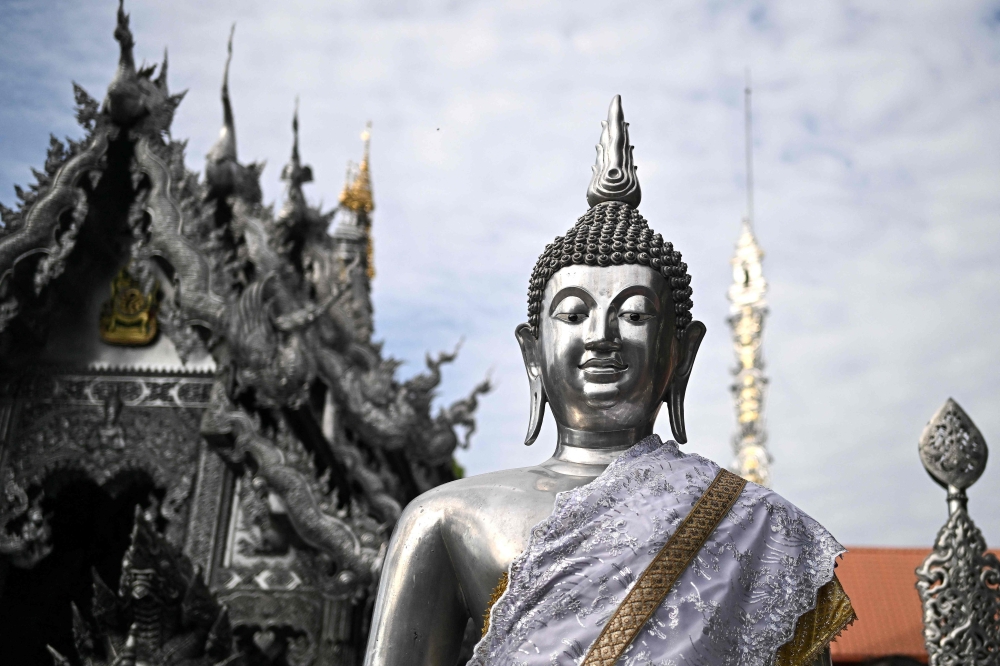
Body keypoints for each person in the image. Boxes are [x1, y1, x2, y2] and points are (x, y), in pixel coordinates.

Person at [364, 96, 854, 666]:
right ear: (533, 352)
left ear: (681, 351)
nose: (602, 335)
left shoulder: (760, 532)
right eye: (572, 313)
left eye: (635, 313)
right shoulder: (447, 519)